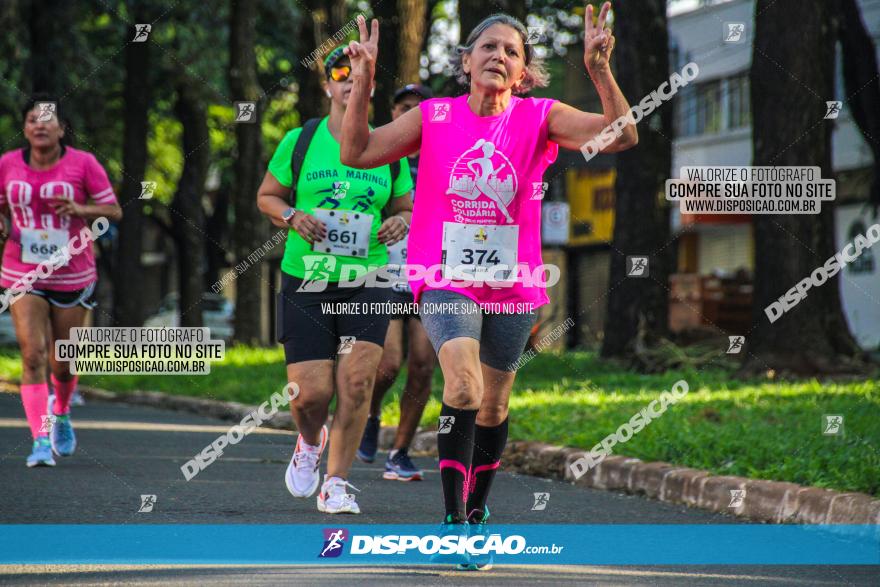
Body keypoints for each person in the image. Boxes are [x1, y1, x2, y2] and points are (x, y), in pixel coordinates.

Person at [339, 3, 636, 566]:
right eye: (488, 47)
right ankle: (452, 519)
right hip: (443, 275)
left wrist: (600, 72)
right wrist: (363, 83)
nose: (499, 56)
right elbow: (357, 151)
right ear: (466, 61)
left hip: (513, 281)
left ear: (522, 73)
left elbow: (621, 137)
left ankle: (477, 508)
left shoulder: (539, 116)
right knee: (466, 386)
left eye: (511, 51)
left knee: (495, 404)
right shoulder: (434, 116)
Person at [256, 47, 414, 514]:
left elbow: (405, 206)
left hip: (370, 275)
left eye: (359, 75)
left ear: (369, 86)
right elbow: (267, 196)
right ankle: (309, 440)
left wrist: (400, 221)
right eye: (340, 76)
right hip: (308, 277)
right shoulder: (301, 140)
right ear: (327, 86)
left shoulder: (389, 146)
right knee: (311, 394)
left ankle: (337, 483)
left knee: (359, 381)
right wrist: (291, 215)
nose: (349, 83)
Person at [0, 95, 122, 467]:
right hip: (24, 271)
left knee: (62, 362)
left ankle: (63, 412)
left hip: (72, 271)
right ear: (25, 129)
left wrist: (81, 209)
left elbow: (113, 210)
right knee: (33, 354)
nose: (40, 125)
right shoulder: (6, 164)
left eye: (47, 120)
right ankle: (39, 439)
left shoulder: (83, 164)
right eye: (33, 119)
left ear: (62, 130)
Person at [356, 84, 437, 483]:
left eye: (419, 110)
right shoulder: (377, 156)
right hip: (385, 269)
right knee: (387, 364)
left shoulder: (448, 156)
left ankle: (400, 451)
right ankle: (370, 415)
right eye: (405, 109)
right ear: (393, 113)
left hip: (435, 271)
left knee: (422, 364)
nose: (412, 116)